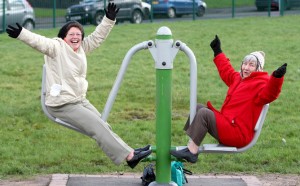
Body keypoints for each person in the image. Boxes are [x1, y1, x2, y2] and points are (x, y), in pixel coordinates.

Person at [6, 3, 151, 169]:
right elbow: (40, 42)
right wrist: (22, 34)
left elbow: (97, 37)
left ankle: (129, 151)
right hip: (61, 103)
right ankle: (130, 156)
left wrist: (109, 19)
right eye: (71, 34)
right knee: (97, 126)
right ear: (64, 37)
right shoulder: (56, 47)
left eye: (78, 34)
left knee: (103, 124)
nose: (75, 37)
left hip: (78, 100)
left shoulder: (81, 48)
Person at [170, 35, 287, 163]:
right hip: (228, 125)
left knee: (204, 114)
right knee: (197, 107)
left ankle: (192, 152)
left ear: (258, 69)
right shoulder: (238, 78)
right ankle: (190, 144)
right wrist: (217, 51)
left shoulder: (262, 83)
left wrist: (277, 77)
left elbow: (271, 93)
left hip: (238, 133)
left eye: (251, 65)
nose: (246, 68)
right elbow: (226, 70)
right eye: (245, 63)